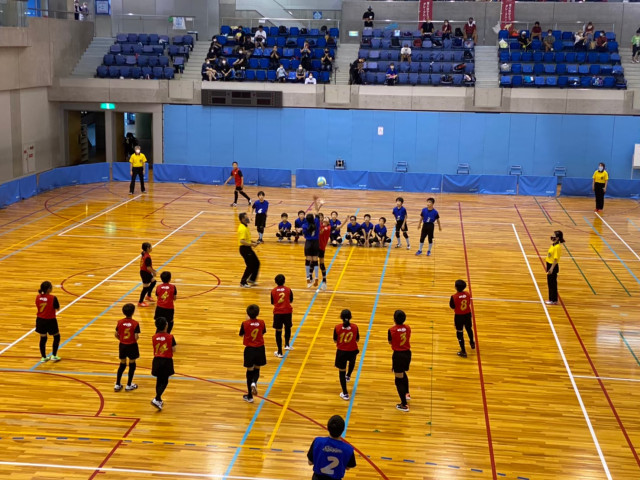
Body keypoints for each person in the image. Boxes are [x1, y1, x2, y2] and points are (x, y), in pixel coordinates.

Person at [239, 304, 267, 403]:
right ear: (258, 313)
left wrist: (247, 322)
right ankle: (254, 382)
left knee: (249, 371)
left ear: (248, 313)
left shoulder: (244, 323)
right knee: (257, 369)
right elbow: (262, 332)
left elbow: (241, 334)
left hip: (249, 350)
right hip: (260, 349)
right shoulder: (262, 322)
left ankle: (250, 396)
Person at [151, 317, 176, 410]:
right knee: (165, 381)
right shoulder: (170, 337)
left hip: (156, 360)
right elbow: (174, 349)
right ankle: (157, 398)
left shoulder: (154, 337)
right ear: (166, 325)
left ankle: (159, 400)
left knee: (159, 380)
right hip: (166, 361)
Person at [334, 309, 359, 401]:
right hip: (352, 350)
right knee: (352, 362)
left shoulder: (337, 327)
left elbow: (335, 340)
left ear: (341, 317)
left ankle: (345, 393)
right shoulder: (355, 327)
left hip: (341, 352)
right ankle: (348, 375)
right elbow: (357, 339)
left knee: (341, 372)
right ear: (350, 317)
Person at [388, 310, 411, 412]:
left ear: (394, 319)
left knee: (398, 380)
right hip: (407, 354)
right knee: (403, 373)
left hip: (398, 355)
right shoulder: (408, 328)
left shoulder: (391, 330)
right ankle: (407, 393)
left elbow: (390, 342)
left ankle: (404, 405)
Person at [114, 303, 140, 391]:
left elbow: (116, 334)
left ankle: (117, 384)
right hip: (132, 345)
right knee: (132, 364)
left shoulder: (119, 322)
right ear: (133, 312)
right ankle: (129, 385)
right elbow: (136, 337)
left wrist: (122, 340)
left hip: (122, 345)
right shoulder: (135, 323)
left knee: (122, 364)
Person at [35, 281, 61, 363]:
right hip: (50, 320)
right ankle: (54, 355)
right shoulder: (53, 298)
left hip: (40, 320)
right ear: (49, 289)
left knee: (43, 338)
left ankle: (43, 357)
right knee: (56, 336)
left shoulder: (37, 297)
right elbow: (57, 308)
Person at [449, 280, 475, 358]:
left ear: (456, 287)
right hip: (467, 315)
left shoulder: (453, 297)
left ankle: (463, 351)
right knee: (469, 329)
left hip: (459, 317)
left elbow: (452, 306)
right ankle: (472, 342)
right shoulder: (468, 294)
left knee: (459, 333)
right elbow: (468, 303)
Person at [271, 274, 293, 358]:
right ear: (284, 281)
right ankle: (287, 345)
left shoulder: (273, 291)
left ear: (275, 282)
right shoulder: (288, 289)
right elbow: (291, 300)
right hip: (287, 312)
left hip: (278, 313)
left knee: (278, 331)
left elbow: (272, 302)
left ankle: (279, 352)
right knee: (287, 328)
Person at [238, 212, 260, 288]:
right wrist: (252, 244)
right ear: (242, 219)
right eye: (246, 217)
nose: (247, 218)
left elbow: (247, 239)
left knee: (256, 263)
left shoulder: (246, 226)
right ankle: (243, 282)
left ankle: (252, 279)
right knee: (250, 266)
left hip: (248, 248)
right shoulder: (242, 228)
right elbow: (242, 241)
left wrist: (254, 242)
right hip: (244, 249)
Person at [302, 203, 321, 288]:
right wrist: (316, 202)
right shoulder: (316, 222)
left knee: (308, 261)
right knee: (315, 261)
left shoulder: (304, 225)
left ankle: (308, 278)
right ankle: (316, 277)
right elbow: (317, 212)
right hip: (316, 242)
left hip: (308, 243)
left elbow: (304, 234)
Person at [545, 230, 565, 306]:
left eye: (554, 236)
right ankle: (551, 299)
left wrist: (551, 269)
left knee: (552, 284)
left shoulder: (557, 247)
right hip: (549, 264)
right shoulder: (553, 245)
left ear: (558, 238)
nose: (552, 237)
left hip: (553, 266)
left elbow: (555, 259)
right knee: (550, 283)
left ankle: (553, 300)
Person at [138, 242, 157, 307]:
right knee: (145, 287)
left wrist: (153, 269)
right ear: (147, 248)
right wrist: (153, 272)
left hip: (145, 272)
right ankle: (140, 302)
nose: (151, 248)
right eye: (150, 247)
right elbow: (148, 268)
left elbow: (147, 266)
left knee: (153, 282)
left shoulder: (144, 253)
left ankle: (148, 295)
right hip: (145, 273)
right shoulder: (147, 257)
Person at [317, 213, 331, 290]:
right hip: (315, 246)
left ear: (328, 222)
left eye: (326, 218)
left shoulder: (328, 227)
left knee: (322, 264)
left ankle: (324, 281)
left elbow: (321, 232)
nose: (325, 218)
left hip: (322, 247)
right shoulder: (319, 224)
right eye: (324, 217)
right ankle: (311, 278)